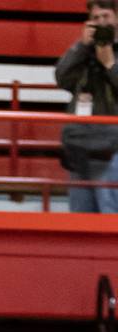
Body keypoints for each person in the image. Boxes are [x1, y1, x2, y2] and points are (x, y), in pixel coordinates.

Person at [56, 0, 118, 212]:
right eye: (96, 18)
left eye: (106, 17)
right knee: (81, 218)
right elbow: (62, 78)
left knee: (110, 216)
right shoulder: (83, 52)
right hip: (79, 147)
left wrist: (111, 64)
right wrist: (80, 47)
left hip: (113, 149)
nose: (101, 23)